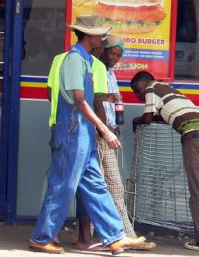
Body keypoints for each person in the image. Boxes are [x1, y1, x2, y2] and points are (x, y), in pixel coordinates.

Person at [28, 15, 145, 254]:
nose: (101, 38)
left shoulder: (86, 60)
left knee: (95, 184)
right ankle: (41, 237)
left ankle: (114, 236)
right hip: (72, 132)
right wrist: (105, 130)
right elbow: (79, 102)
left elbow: (86, 98)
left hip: (83, 133)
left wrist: (105, 98)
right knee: (62, 186)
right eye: (98, 34)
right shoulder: (73, 60)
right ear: (88, 35)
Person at [76, 35, 156, 251]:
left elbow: (110, 101)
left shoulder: (109, 72)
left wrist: (113, 123)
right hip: (97, 133)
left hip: (106, 132)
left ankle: (124, 235)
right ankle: (97, 237)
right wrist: (105, 127)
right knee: (96, 187)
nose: (115, 59)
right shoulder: (95, 68)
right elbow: (95, 101)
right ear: (103, 50)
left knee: (114, 187)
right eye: (113, 54)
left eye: (119, 56)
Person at [130, 71, 199, 251]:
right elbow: (166, 115)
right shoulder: (169, 90)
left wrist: (136, 121)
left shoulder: (151, 89)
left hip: (193, 137)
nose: (139, 96)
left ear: (144, 83)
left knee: (197, 190)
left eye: (138, 91)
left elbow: (147, 118)